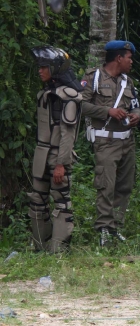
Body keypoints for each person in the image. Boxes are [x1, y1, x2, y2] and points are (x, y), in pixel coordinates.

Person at [80, 40, 140, 247]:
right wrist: (108, 111)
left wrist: (136, 115)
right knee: (106, 185)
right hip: (105, 141)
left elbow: (136, 105)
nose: (131, 62)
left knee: (124, 186)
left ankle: (116, 226)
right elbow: (81, 104)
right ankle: (104, 228)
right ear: (119, 58)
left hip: (127, 142)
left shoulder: (128, 82)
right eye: (129, 58)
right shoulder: (93, 78)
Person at [28, 46, 82, 253]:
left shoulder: (67, 96)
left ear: (55, 68)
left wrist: (61, 163)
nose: (40, 71)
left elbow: (67, 135)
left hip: (56, 156)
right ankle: (40, 246)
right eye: (39, 67)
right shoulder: (47, 93)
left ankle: (58, 250)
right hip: (41, 154)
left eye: (44, 67)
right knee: (37, 201)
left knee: (61, 202)